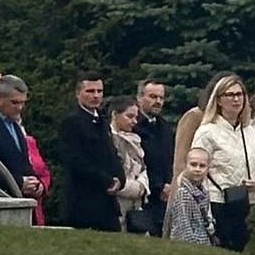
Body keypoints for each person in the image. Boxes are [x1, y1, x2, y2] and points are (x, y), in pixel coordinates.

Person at [191, 74, 255, 250]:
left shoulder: (249, 130)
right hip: (218, 201)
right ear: (218, 100)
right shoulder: (207, 131)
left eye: (240, 94)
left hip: (247, 201)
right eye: (230, 95)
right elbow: (196, 167)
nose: (236, 99)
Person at [55, 75, 123, 231]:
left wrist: (120, 178)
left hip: (107, 204)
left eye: (100, 91)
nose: (96, 95)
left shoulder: (102, 122)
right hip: (83, 202)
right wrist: (106, 181)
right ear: (78, 93)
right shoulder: (72, 122)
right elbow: (74, 160)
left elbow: (112, 154)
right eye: (90, 91)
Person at [132, 80, 175, 234]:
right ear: (139, 98)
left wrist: (170, 184)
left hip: (165, 196)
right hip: (143, 193)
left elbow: (170, 158)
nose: (157, 101)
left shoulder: (165, 127)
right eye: (152, 96)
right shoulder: (133, 126)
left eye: (161, 98)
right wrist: (158, 185)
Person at [108, 96, 152, 231]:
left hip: (136, 205)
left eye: (136, 117)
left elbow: (143, 167)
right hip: (117, 202)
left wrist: (142, 185)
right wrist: (134, 188)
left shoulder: (136, 140)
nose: (134, 122)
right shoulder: (108, 139)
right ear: (115, 115)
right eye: (129, 116)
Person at [165, 147, 215, 245]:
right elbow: (182, 226)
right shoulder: (183, 193)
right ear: (185, 166)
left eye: (202, 166)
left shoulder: (204, 193)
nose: (197, 169)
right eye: (193, 164)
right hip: (188, 246)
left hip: (204, 243)